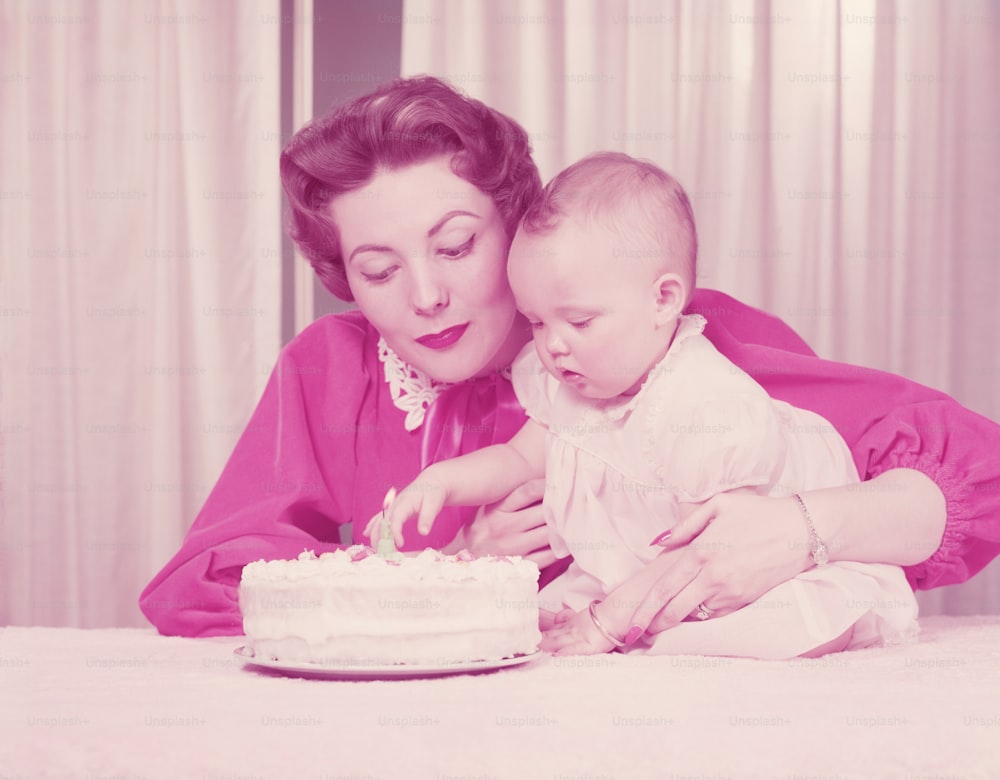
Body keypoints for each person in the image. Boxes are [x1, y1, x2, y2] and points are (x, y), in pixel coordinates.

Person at [138, 75, 1000, 639]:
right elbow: (200, 592)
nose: (426, 296)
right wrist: (441, 580)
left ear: (516, 226)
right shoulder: (328, 369)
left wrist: (800, 528)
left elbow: (973, 472)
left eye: (456, 244)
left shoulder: (677, 350)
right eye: (377, 268)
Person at [375, 152, 918, 658]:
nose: (553, 344)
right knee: (521, 625)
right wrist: (441, 482)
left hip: (743, 572)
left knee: (745, 633)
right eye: (537, 322)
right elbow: (518, 460)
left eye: (579, 321)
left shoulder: (704, 405)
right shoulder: (572, 384)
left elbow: (706, 556)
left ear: (662, 300)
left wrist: (607, 624)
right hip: (627, 572)